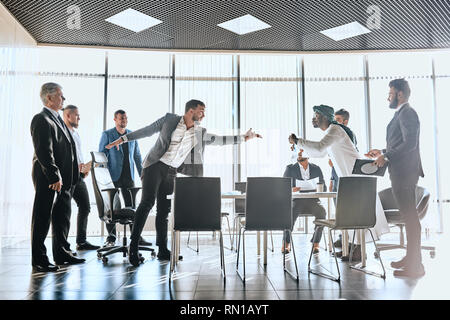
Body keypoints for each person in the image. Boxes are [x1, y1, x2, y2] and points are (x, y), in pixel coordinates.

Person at [106, 99, 262, 266]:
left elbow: (219, 140)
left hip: (171, 171)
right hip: (154, 166)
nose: (204, 115)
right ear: (190, 111)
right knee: (147, 203)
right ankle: (134, 247)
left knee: (164, 210)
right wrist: (123, 139)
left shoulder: (198, 132)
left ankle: (162, 250)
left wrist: (244, 138)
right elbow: (147, 131)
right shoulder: (169, 120)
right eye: (201, 111)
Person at [296, 105, 389, 261]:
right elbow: (321, 152)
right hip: (347, 176)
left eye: (316, 116)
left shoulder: (335, 130)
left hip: (354, 177)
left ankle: (357, 251)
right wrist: (302, 149)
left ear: (324, 117)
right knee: (350, 214)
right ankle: (349, 249)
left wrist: (297, 141)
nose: (313, 119)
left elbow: (319, 149)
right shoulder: (331, 132)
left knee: (357, 214)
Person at [367, 79, 425, 278]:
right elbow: (400, 142)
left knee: (410, 218)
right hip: (401, 172)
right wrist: (382, 152)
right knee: (409, 218)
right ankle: (411, 259)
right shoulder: (402, 114)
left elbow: (410, 144)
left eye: (390, 93)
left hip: (405, 173)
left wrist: (387, 156)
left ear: (400, 94)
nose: (388, 97)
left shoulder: (408, 113)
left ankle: (416, 266)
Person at [30, 83, 85, 272]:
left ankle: (61, 253)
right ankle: (39, 259)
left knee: (62, 217)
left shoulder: (58, 119)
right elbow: (44, 151)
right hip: (49, 178)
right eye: (61, 96)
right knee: (42, 216)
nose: (64, 99)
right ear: (49, 98)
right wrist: (54, 176)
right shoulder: (41, 119)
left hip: (65, 179)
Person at [99, 110, 151, 247]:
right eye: (122, 118)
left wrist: (142, 174)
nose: (124, 120)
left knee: (132, 207)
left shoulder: (131, 135)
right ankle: (111, 238)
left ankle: (136, 237)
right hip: (113, 177)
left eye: (126, 118)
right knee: (112, 207)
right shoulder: (107, 134)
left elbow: (137, 156)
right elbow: (101, 156)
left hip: (129, 177)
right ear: (115, 119)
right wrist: (103, 176)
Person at [62, 105, 100, 251]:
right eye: (76, 115)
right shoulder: (63, 132)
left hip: (79, 176)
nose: (79, 118)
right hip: (67, 176)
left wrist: (84, 167)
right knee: (64, 211)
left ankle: (81, 241)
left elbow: (77, 155)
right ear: (68, 116)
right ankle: (63, 245)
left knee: (85, 206)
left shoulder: (76, 133)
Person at [283, 149, 327, 254]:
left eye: (301, 152)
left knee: (322, 212)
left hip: (313, 200)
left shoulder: (316, 169)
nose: (299, 154)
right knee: (290, 213)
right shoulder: (290, 169)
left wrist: (318, 187)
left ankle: (316, 243)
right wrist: (291, 189)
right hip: (297, 200)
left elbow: (324, 188)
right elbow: (283, 186)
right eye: (298, 153)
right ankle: (286, 244)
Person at [329, 108, 358, 248]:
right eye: (334, 120)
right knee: (340, 212)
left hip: (346, 178)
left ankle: (352, 243)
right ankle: (344, 239)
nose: (335, 123)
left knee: (348, 212)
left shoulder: (348, 134)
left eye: (338, 120)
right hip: (336, 178)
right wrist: (331, 179)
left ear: (346, 122)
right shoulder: (334, 135)